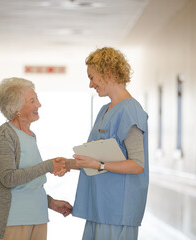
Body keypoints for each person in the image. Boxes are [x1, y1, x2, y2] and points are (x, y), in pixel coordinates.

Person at [69, 47, 149, 240]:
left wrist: (99, 165)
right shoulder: (105, 110)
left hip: (117, 212)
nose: (90, 85)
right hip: (99, 207)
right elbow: (96, 157)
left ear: (109, 73)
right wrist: (66, 164)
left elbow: (137, 165)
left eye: (92, 77)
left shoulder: (131, 110)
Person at [0, 77, 73, 240]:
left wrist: (50, 203)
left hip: (37, 217)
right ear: (16, 108)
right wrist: (48, 165)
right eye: (32, 100)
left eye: (36, 98)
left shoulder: (30, 135)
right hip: (12, 220)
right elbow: (8, 178)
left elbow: (29, 183)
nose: (39, 104)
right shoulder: (5, 136)